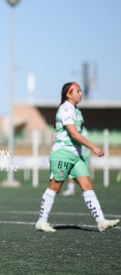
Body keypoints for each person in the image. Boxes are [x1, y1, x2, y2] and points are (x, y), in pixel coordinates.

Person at [35, 82, 119, 233]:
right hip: (63, 154)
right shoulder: (65, 109)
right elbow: (73, 134)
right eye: (78, 91)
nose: (80, 94)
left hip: (76, 155)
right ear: (68, 94)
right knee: (55, 186)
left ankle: (101, 221)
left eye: (81, 91)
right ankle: (41, 222)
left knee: (87, 185)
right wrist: (93, 147)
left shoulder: (77, 111)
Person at [62, 126, 90, 197]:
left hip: (80, 153)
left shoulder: (79, 130)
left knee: (78, 172)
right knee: (75, 172)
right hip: (81, 153)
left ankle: (82, 190)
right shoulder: (81, 130)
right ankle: (75, 189)